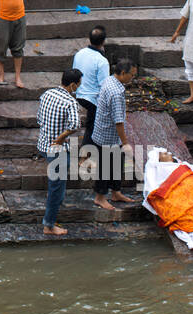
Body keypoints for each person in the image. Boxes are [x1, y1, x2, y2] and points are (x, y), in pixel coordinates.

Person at [38, 68, 83, 236]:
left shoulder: (47, 94)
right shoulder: (70, 101)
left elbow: (39, 119)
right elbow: (75, 125)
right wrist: (61, 137)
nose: (78, 88)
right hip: (57, 149)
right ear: (72, 84)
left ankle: (55, 199)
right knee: (56, 187)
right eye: (78, 85)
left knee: (58, 182)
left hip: (43, 144)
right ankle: (49, 225)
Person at [91, 58, 137, 209]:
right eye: (132, 75)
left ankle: (116, 192)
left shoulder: (109, 79)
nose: (132, 78)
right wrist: (125, 143)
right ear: (123, 73)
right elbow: (118, 121)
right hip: (108, 135)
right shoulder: (116, 93)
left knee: (117, 164)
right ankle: (100, 197)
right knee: (106, 167)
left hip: (102, 130)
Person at [72, 26, 109, 144]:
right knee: (92, 126)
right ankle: (86, 153)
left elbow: (75, 72)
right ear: (103, 41)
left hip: (79, 94)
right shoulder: (102, 61)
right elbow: (104, 86)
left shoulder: (79, 54)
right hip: (92, 98)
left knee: (91, 121)